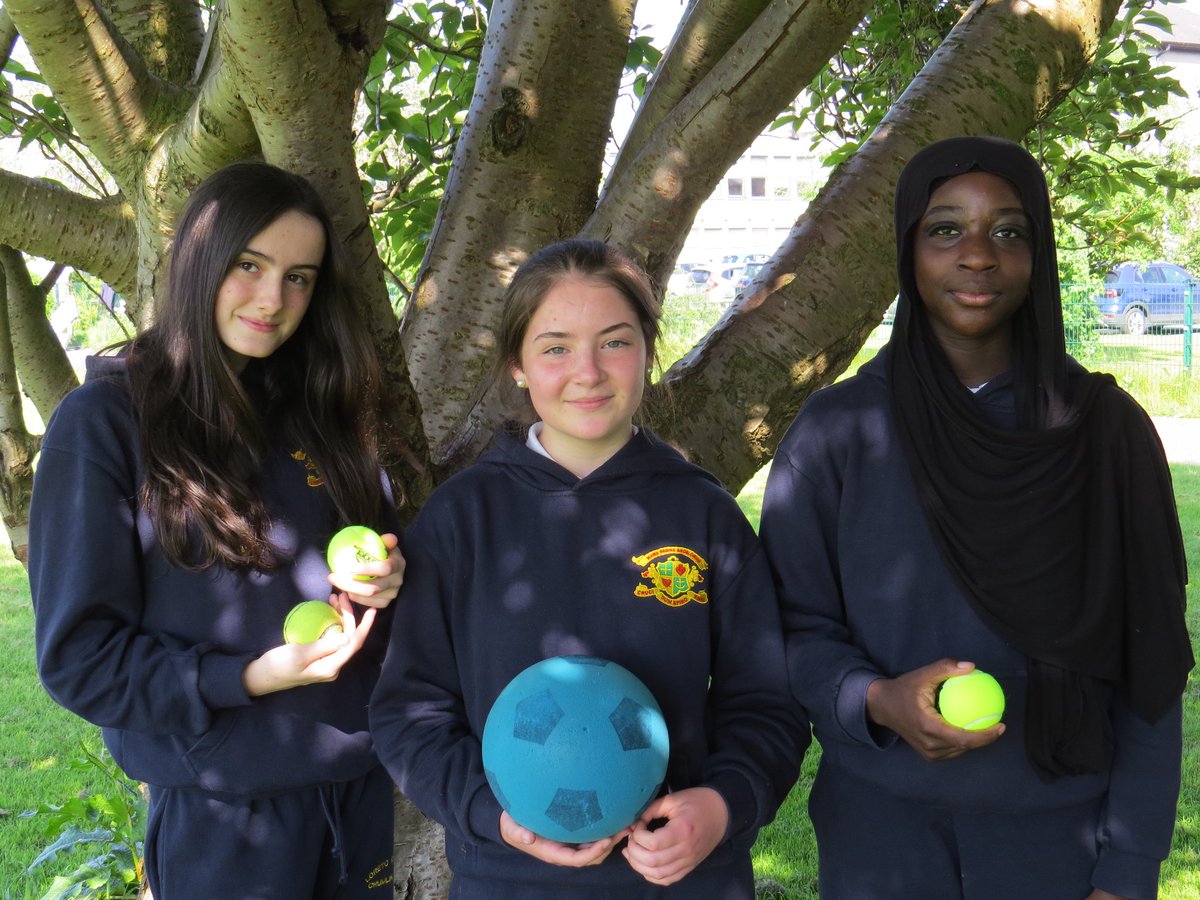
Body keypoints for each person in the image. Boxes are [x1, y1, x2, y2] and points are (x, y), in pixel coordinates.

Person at [760, 134, 1194, 899]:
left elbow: (1151, 659)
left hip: (1062, 842)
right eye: (945, 228)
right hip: (879, 839)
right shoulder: (837, 432)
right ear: (907, 250)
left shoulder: (1106, 431)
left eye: (1008, 232)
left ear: (1039, 253)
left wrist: (1127, 872)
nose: (977, 256)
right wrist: (875, 698)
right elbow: (791, 628)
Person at [368, 238, 807, 899]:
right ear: (517, 364)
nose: (588, 371)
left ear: (647, 351)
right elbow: (409, 713)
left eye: (614, 341)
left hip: (685, 880)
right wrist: (496, 818)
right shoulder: (462, 521)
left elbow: (767, 705)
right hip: (509, 881)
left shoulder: (704, 515)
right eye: (555, 347)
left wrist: (721, 807)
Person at [29, 162, 407, 900]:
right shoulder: (107, 425)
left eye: (300, 276)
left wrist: (385, 579)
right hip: (224, 821)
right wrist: (248, 677)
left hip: (357, 803)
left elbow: (373, 571)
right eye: (249, 265)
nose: (274, 299)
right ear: (201, 262)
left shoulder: (323, 410)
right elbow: (80, 659)